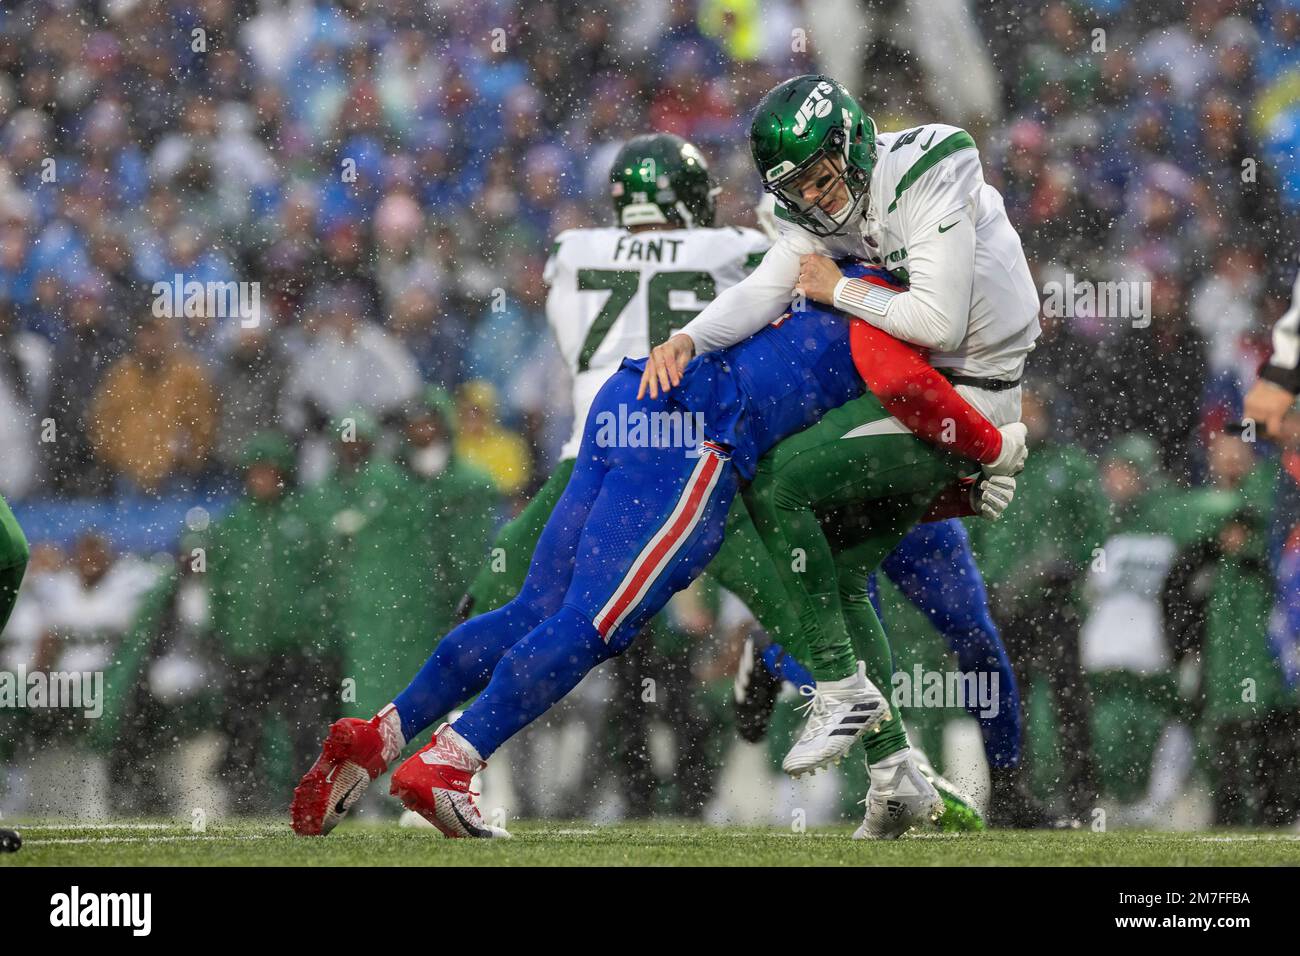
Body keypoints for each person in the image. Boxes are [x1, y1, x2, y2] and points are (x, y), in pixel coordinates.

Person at [639, 74, 1038, 834]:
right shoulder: (810, 208)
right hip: (914, 396)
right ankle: (891, 775)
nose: (817, 200)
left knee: (787, 491)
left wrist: (833, 290)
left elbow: (939, 323)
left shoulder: (931, 165)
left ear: (853, 143)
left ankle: (839, 687)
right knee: (843, 570)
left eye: (823, 178)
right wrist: (690, 337)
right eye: (800, 187)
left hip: (963, 393)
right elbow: (765, 287)